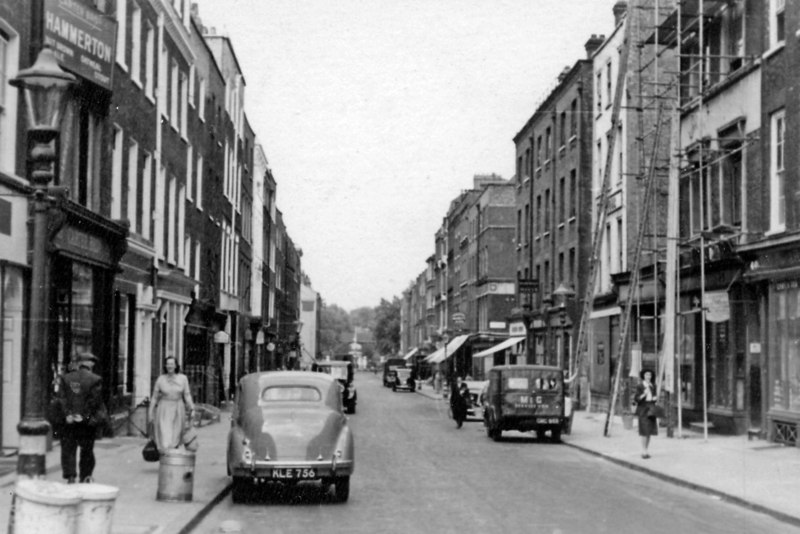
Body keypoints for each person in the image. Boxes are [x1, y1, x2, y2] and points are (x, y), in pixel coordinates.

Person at [56, 352, 104, 484]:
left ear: (79, 363)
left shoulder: (66, 378)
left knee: (68, 449)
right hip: (86, 423)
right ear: (89, 363)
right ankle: (85, 477)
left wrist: (68, 415)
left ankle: (70, 476)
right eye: (92, 362)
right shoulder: (95, 379)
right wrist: (84, 417)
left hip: (69, 421)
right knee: (87, 450)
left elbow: (61, 399)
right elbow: (94, 403)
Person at [149, 356, 196, 454]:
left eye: (172, 364)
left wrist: (192, 407)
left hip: (178, 408)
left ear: (176, 366)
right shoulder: (160, 379)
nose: (170, 366)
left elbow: (187, 395)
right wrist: (150, 412)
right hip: (164, 409)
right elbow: (154, 397)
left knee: (176, 434)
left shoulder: (183, 378)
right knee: (165, 434)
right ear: (165, 366)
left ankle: (171, 461)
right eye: (168, 364)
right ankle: (166, 457)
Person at [634, 369, 658, 459]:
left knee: (650, 430)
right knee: (644, 429)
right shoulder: (640, 386)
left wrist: (655, 398)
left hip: (651, 407)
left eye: (650, 375)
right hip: (643, 408)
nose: (648, 377)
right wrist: (644, 394)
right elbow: (636, 399)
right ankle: (643, 450)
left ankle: (646, 450)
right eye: (647, 375)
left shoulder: (653, 386)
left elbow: (654, 397)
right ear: (643, 376)